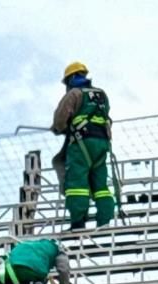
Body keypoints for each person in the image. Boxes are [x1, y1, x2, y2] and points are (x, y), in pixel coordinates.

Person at [53, 62, 115, 229]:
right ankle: (105, 221)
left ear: (71, 79)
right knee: (100, 184)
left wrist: (59, 129)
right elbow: (106, 117)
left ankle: (78, 222)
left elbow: (60, 119)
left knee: (77, 183)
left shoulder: (74, 93)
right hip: (102, 143)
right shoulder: (101, 94)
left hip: (81, 144)